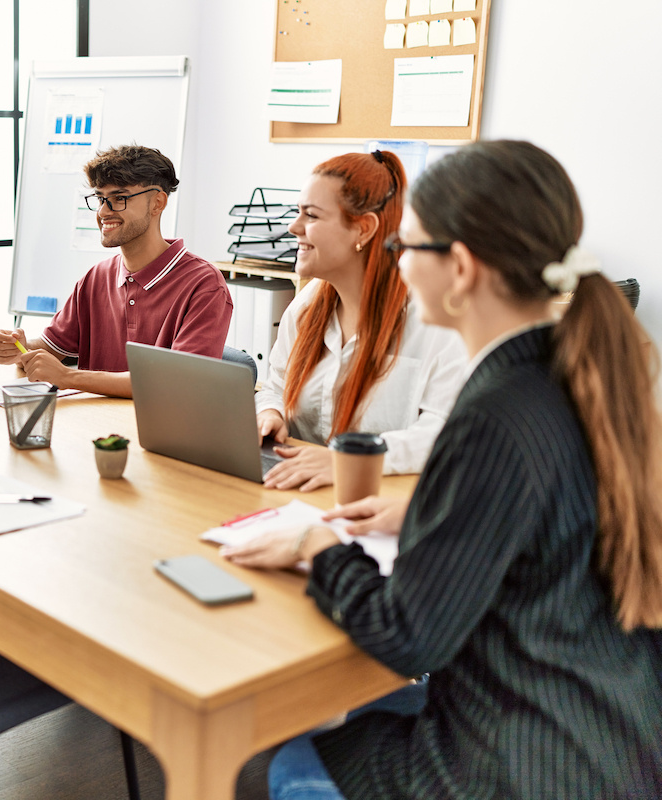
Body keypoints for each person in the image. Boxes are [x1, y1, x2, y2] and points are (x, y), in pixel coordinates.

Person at [223, 140, 662, 799]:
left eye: (406, 248)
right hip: (612, 732)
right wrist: (426, 511)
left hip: (525, 761)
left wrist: (318, 547)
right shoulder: (569, 374)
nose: (394, 265)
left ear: (459, 267)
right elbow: (544, 518)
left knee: (292, 765)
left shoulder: (493, 413)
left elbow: (407, 639)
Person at [256, 151, 467, 491]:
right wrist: (270, 414)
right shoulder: (307, 307)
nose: (293, 227)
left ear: (364, 229)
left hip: (383, 503)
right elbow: (276, 387)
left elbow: (443, 434)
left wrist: (347, 462)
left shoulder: (434, 323)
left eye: (311, 215)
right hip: (298, 491)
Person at [0, 145, 232, 398]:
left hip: (158, 434)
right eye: (100, 199)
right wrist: (19, 348)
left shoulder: (205, 285)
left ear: (157, 203)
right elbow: (52, 350)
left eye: (119, 198)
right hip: (93, 428)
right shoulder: (96, 278)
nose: (104, 212)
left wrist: (67, 376)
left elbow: (176, 382)